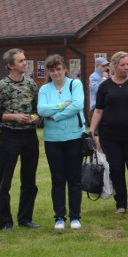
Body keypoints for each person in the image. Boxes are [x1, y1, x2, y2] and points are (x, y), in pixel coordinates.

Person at [0, 48, 41, 231]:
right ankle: (5, 222)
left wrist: (35, 118)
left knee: (29, 180)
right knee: (5, 181)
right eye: (21, 61)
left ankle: (25, 218)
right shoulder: (1, 86)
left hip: (29, 136)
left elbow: (38, 109)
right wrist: (13, 117)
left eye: (25, 60)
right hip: (9, 136)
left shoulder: (32, 85)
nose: (25, 63)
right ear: (10, 65)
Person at [87, 51, 128, 214]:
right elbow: (98, 110)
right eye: (123, 65)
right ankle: (121, 204)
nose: (126, 68)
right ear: (114, 66)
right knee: (116, 169)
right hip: (110, 136)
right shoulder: (105, 86)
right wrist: (91, 131)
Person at [38, 54, 85, 230]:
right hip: (52, 139)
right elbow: (41, 109)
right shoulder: (44, 90)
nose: (56, 73)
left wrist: (56, 116)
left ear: (65, 68)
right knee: (57, 179)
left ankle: (75, 216)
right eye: (52, 70)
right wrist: (62, 105)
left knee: (74, 178)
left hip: (74, 136)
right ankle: (59, 217)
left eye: (58, 69)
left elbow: (78, 105)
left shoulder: (75, 84)